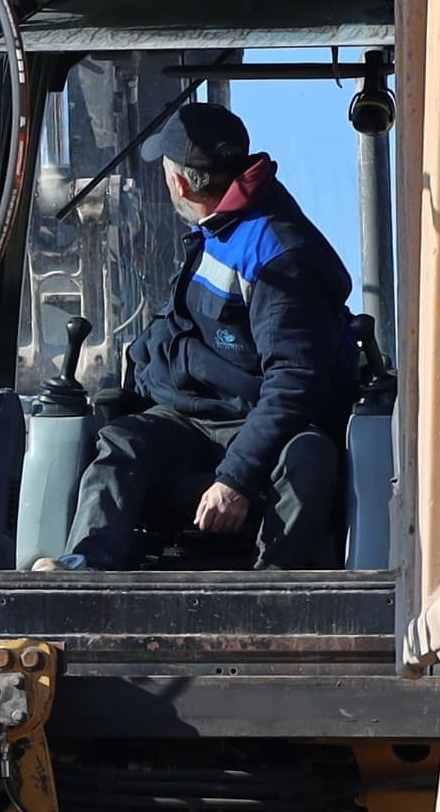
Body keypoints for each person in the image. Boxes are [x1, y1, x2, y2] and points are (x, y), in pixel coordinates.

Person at [65, 96, 361, 569]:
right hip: (194, 416)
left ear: (180, 182)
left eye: (163, 173)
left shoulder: (277, 255)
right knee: (122, 441)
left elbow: (294, 381)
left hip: (260, 423)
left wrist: (237, 479)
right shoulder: (216, 229)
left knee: (309, 459)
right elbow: (182, 329)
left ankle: (273, 592)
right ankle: (82, 571)